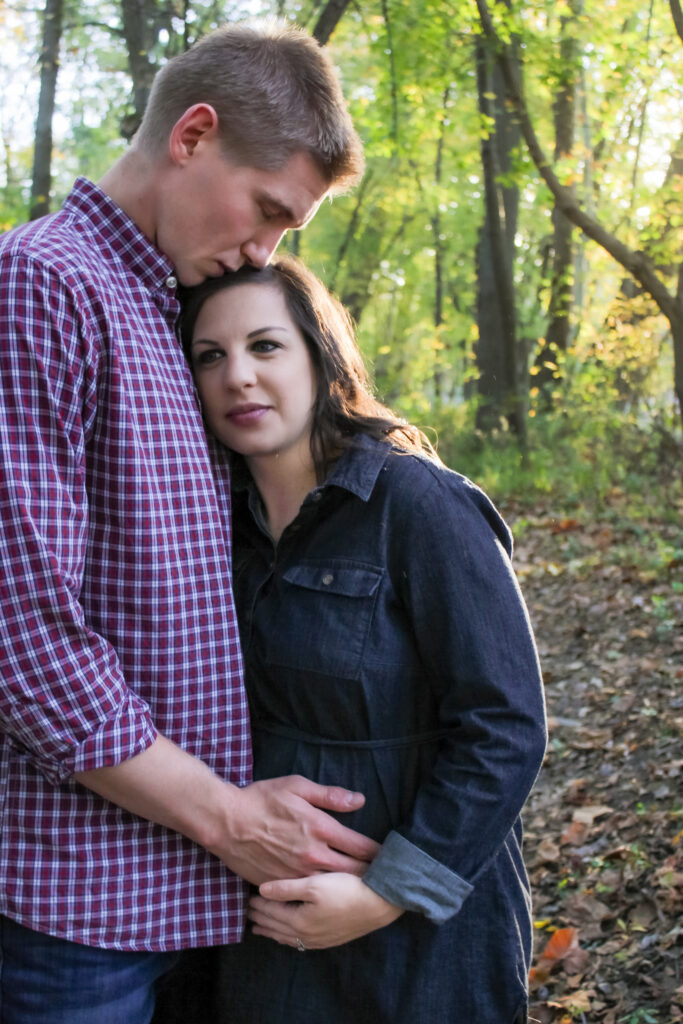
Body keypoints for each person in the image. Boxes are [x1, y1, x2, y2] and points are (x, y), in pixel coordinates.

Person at [0, 22, 377, 1024]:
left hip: (198, 903)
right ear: (193, 134)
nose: (264, 250)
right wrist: (229, 820)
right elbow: (22, 632)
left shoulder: (174, 309)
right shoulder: (42, 282)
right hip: (80, 909)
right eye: (266, 213)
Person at [174, 256, 548, 1024]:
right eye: (210, 356)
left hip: (420, 931)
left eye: (265, 346)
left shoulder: (417, 505)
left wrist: (385, 894)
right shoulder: (209, 526)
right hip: (261, 921)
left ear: (320, 355)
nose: (237, 376)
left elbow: (506, 727)